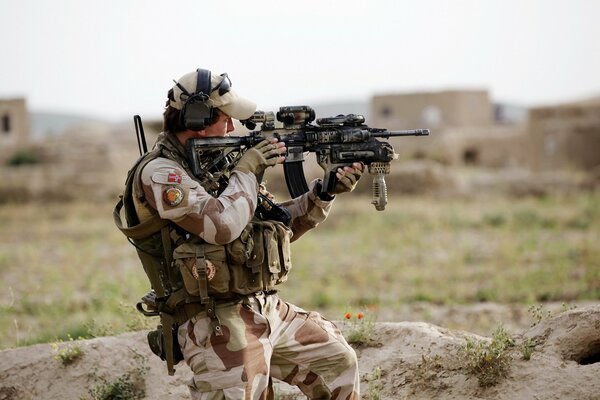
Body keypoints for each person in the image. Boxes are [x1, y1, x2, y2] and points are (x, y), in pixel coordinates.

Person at [117, 68, 363, 400]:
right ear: (196, 118)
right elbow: (222, 227)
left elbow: (272, 227)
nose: (233, 127)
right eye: (226, 118)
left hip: (263, 308)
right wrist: (248, 169)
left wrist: (323, 194)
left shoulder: (219, 165)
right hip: (214, 321)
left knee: (337, 362)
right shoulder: (161, 174)